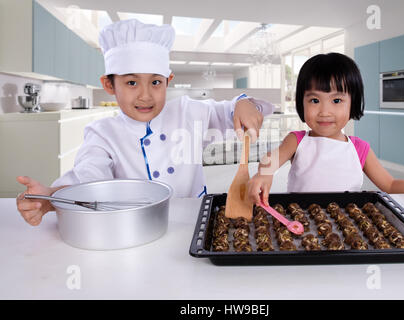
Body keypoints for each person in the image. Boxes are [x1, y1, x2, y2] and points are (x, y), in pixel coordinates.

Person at [17, 19, 275, 226]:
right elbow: (89, 182)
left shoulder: (187, 111)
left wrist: (243, 102)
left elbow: (230, 112)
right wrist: (51, 198)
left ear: (167, 81)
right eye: (131, 82)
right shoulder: (102, 134)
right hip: (134, 227)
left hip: (193, 222)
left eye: (155, 82)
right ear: (109, 84)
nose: (145, 95)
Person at [248, 52, 404, 206]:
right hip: (301, 218)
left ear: (353, 103)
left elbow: (390, 185)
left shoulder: (359, 148)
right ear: (302, 103)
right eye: (315, 100)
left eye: (337, 100)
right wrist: (264, 174)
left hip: (348, 224)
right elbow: (270, 159)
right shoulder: (298, 140)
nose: (324, 111)